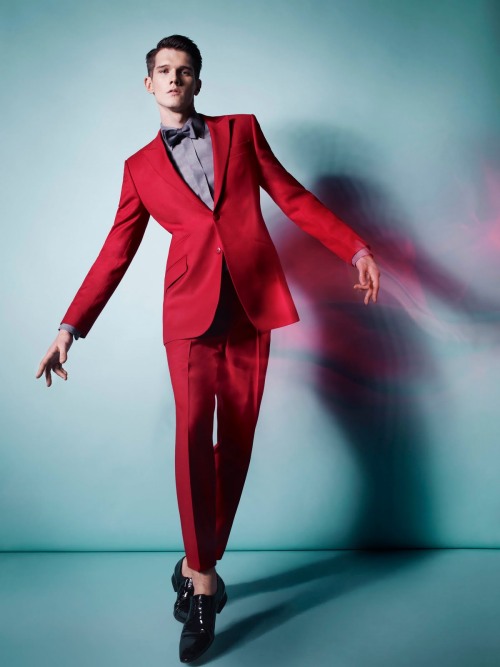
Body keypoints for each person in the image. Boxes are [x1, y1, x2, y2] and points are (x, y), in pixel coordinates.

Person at [36, 34, 380, 663]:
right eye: (164, 70)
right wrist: (69, 328)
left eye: (185, 70)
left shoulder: (241, 131)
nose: (175, 78)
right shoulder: (139, 169)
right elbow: (115, 253)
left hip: (251, 308)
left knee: (237, 444)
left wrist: (354, 247)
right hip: (189, 317)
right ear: (149, 83)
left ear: (198, 81)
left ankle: (196, 562)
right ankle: (202, 584)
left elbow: (293, 197)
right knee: (193, 438)